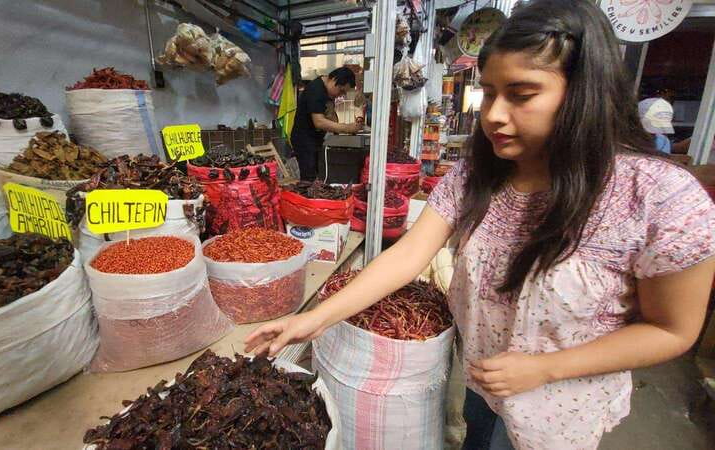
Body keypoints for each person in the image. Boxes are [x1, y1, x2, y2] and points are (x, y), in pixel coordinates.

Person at [246, 1, 715, 449]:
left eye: (521, 95)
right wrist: (315, 318)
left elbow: (673, 330)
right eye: (488, 92)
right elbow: (409, 255)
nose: (493, 114)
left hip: (559, 405)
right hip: (481, 378)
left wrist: (547, 368)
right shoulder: (477, 175)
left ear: (585, 93)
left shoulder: (659, 198)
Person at [291, 67, 363, 181]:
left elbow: (331, 118)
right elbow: (319, 122)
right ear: (334, 80)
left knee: (315, 174)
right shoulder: (316, 90)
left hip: (315, 139)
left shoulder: (328, 93)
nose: (341, 95)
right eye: (341, 91)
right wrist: (347, 128)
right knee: (309, 176)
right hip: (304, 139)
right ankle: (307, 191)